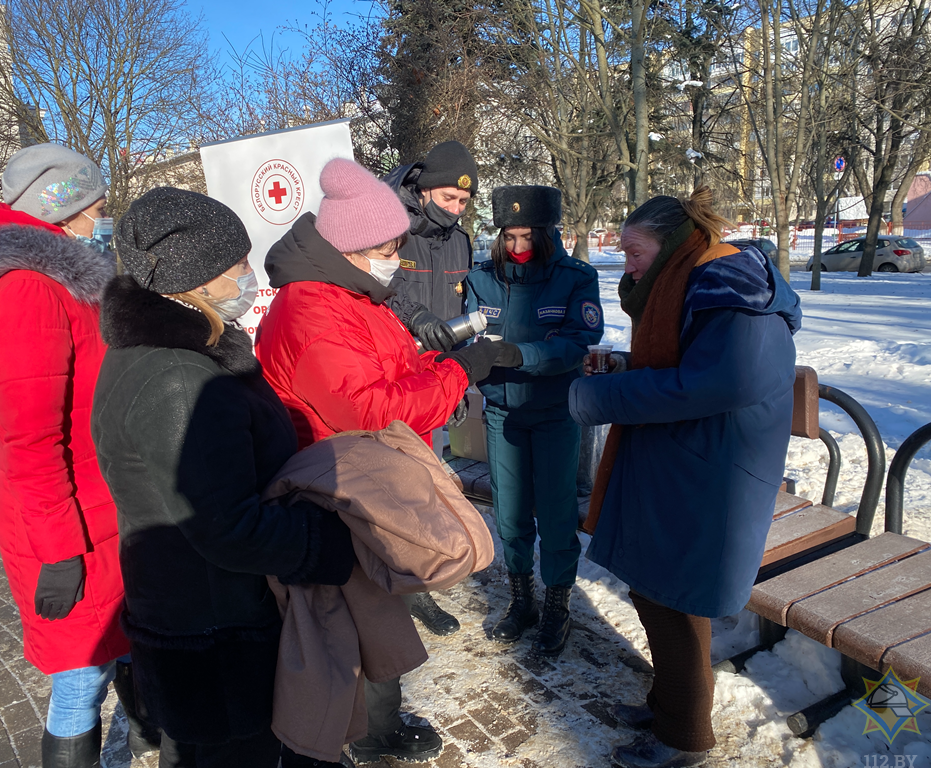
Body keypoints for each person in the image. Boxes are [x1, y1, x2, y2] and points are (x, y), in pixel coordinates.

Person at [256, 157, 515, 765]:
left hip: (364, 480)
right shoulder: (312, 311)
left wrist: (446, 363)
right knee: (351, 625)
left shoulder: (355, 296)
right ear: (350, 248)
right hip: (337, 488)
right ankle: (348, 738)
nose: (396, 259)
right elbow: (372, 411)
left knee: (376, 617)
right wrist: (459, 373)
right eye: (388, 248)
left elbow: (392, 369)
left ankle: (376, 726)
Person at [91, 187, 355, 768]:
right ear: (196, 278)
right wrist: (326, 544)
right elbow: (226, 525)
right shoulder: (177, 379)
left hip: (199, 617)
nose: (249, 272)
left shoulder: (171, 351)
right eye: (236, 262)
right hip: (216, 634)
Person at [0, 144, 157, 767]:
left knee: (124, 645)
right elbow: (28, 441)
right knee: (79, 676)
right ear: (63, 207)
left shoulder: (65, 281)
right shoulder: (28, 292)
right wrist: (60, 551)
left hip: (101, 508)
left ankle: (148, 737)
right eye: (97, 203)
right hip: (67, 525)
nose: (104, 215)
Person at [568, 188, 801, 768]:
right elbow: (692, 367)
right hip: (686, 464)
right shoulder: (700, 281)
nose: (628, 267)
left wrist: (600, 395)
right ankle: (669, 705)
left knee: (673, 599)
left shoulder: (732, 290)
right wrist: (626, 367)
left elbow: (714, 383)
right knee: (656, 591)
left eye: (635, 251)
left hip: (711, 476)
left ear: (671, 242)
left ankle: (684, 739)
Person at [465, 186, 603, 658]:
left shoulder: (575, 278)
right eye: (509, 236)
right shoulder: (480, 279)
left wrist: (520, 354)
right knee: (510, 514)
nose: (517, 247)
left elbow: (577, 342)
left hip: (554, 414)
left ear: (548, 233)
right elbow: (468, 332)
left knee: (557, 513)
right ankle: (522, 600)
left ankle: (557, 606)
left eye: (527, 237)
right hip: (503, 414)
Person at [382, 140, 480, 635]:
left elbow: (460, 316)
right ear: (421, 190)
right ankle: (391, 594)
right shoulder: (389, 229)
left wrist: (457, 383)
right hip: (389, 382)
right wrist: (416, 318)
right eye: (447, 199)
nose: (455, 210)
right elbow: (374, 292)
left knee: (424, 489)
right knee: (391, 493)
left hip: (435, 382)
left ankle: (416, 587)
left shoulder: (460, 242)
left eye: (463, 203)